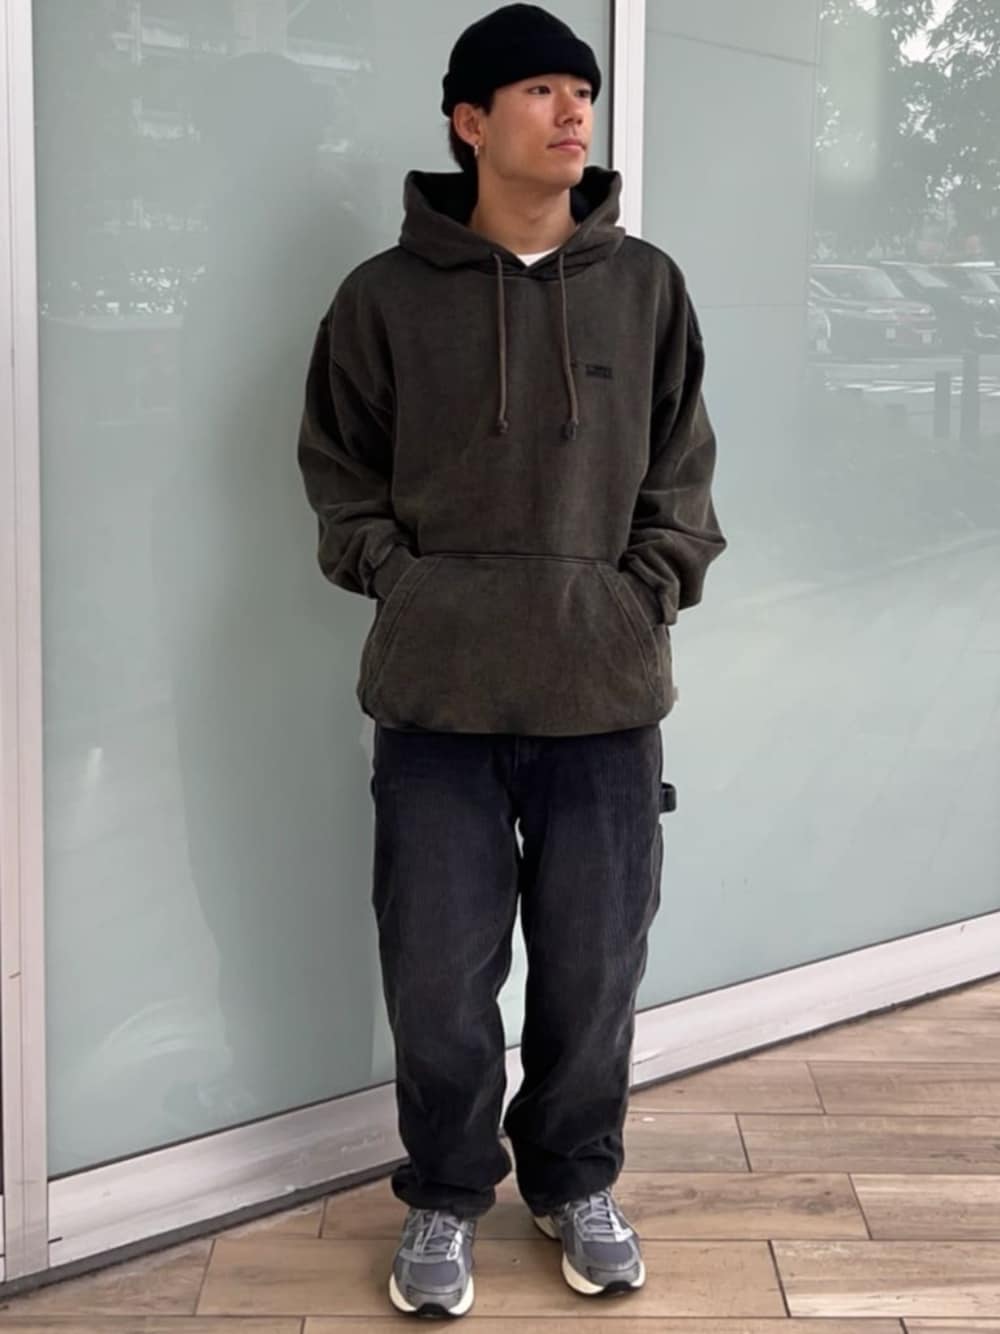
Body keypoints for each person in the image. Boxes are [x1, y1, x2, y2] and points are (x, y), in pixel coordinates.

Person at [296, 3, 726, 1318]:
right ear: (469, 122)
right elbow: (338, 476)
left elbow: (683, 475)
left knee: (595, 973)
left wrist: (640, 594)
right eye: (539, 89)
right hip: (438, 702)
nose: (572, 109)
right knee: (436, 977)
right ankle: (442, 1193)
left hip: (605, 699)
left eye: (579, 88)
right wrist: (407, 584)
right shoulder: (381, 299)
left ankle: (574, 1179)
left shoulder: (645, 287)